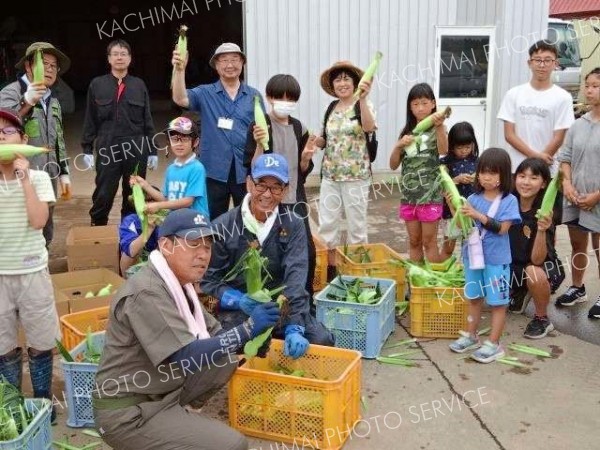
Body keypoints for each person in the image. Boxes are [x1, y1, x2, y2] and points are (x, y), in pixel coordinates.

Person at [93, 208, 279, 450]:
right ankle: (162, 433)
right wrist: (247, 329)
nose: (203, 255)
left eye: (207, 246)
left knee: (226, 358)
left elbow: (218, 339)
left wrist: (255, 335)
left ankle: (177, 423)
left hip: (160, 392)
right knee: (233, 444)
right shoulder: (147, 291)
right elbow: (185, 356)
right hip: (129, 412)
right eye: (193, 244)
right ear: (165, 245)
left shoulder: (182, 286)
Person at [201, 153, 334, 359]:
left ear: (286, 190)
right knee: (227, 347)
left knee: (322, 342)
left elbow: (296, 277)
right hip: (243, 313)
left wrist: (294, 326)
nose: (267, 194)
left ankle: (287, 333)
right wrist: (238, 300)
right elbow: (208, 281)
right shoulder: (223, 226)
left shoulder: (293, 224)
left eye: (276, 187)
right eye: (261, 185)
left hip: (283, 308)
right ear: (248, 184)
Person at [0, 108, 60, 422]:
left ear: (23, 139)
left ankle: (42, 404)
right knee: (4, 347)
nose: (1, 136)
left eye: (7, 131)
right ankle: (12, 407)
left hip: (33, 271)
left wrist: (24, 177)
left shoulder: (38, 177)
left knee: (40, 343)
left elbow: (38, 220)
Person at [244, 73, 318, 297]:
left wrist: (305, 157)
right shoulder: (260, 125)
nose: (285, 103)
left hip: (295, 199)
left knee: (306, 251)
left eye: (291, 99)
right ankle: (271, 299)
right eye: (280, 97)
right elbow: (253, 167)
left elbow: (303, 169)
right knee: (270, 252)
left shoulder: (300, 128)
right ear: (268, 97)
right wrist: (259, 144)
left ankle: (304, 299)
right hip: (268, 201)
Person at [171, 42, 263, 220]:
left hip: (245, 171)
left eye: (235, 59)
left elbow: (263, 133)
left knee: (248, 218)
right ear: (216, 65)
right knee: (212, 219)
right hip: (213, 169)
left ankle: (246, 248)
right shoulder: (205, 93)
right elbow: (180, 98)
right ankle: (214, 248)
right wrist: (179, 70)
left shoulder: (254, 96)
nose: (230, 65)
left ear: (242, 64)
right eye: (224, 60)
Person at [449, 148, 521, 363]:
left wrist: (476, 214)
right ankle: (471, 335)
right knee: (473, 297)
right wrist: (453, 207)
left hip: (496, 261)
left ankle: (494, 343)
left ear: (504, 176)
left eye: (493, 173)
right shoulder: (472, 197)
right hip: (473, 258)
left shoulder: (509, 201)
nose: (486, 177)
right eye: (483, 172)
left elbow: (502, 229)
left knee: (498, 302)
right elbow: (465, 226)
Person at [0, 42, 71, 247]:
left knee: (46, 224)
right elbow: (5, 127)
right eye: (44, 64)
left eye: (53, 66)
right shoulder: (10, 93)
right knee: (20, 223)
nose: (49, 69)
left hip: (49, 173)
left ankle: (42, 261)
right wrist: (27, 102)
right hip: (19, 174)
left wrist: (64, 171)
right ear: (29, 67)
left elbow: (58, 138)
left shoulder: (53, 100)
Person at [81, 39, 158, 226]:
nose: (119, 57)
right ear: (109, 59)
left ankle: (129, 234)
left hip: (136, 147)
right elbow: (90, 118)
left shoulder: (139, 85)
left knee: (134, 193)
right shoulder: (97, 85)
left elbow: (147, 118)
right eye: (115, 54)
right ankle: (97, 231)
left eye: (123, 54)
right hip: (108, 146)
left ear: (130, 59)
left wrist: (152, 150)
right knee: (104, 192)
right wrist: (87, 148)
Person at [497, 39, 574, 226]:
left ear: (556, 64)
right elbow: (509, 134)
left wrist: (540, 162)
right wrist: (536, 157)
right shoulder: (514, 94)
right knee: (513, 223)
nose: (542, 65)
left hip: (547, 173)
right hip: (517, 171)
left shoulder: (563, 97)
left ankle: (546, 256)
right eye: (537, 59)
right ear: (529, 62)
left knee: (546, 223)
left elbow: (559, 136)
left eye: (548, 60)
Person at [314, 61, 376, 277]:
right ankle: (330, 271)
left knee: (356, 227)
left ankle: (357, 273)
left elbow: (369, 128)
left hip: (356, 177)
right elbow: (324, 139)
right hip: (330, 176)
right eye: (338, 79)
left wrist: (364, 99)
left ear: (355, 83)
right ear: (333, 85)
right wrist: (314, 142)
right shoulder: (329, 108)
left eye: (346, 79)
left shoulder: (362, 105)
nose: (342, 83)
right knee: (327, 225)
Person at [556, 67, 600, 319]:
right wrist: (567, 185)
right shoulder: (578, 123)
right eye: (588, 84)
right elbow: (566, 157)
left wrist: (596, 195)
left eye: (596, 85)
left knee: (599, 246)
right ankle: (578, 287)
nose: (589, 89)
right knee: (577, 244)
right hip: (575, 196)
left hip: (597, 198)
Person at [389, 83, 448, 263]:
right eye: (415, 104)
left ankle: (433, 285)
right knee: (414, 241)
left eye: (424, 103)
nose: (420, 108)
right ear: (410, 107)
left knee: (429, 241)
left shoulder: (438, 129)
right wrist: (398, 146)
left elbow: (444, 150)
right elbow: (393, 165)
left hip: (430, 195)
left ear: (433, 104)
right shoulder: (406, 132)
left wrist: (439, 127)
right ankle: (416, 280)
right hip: (409, 196)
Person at [509, 158, 565, 338]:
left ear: (543, 184)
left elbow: (537, 260)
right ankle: (520, 290)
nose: (525, 182)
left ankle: (542, 318)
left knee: (533, 271)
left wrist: (541, 230)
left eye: (533, 178)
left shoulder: (544, 213)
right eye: (522, 176)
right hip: (515, 265)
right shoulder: (507, 204)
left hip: (544, 268)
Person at [131, 116, 209, 218]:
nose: (179, 144)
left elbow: (188, 201)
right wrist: (145, 185)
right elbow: (166, 199)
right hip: (175, 219)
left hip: (195, 220)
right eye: (174, 139)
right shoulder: (171, 169)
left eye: (185, 139)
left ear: (195, 142)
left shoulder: (197, 168)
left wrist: (158, 205)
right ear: (169, 142)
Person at [439, 121, 479, 258]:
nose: (464, 151)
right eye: (459, 147)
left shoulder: (478, 162)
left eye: (467, 147)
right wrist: (455, 180)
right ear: (451, 146)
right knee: (448, 247)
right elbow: (438, 185)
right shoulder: (445, 163)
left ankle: (467, 273)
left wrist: (476, 178)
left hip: (472, 211)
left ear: (473, 144)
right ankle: (442, 271)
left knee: (470, 246)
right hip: (451, 211)